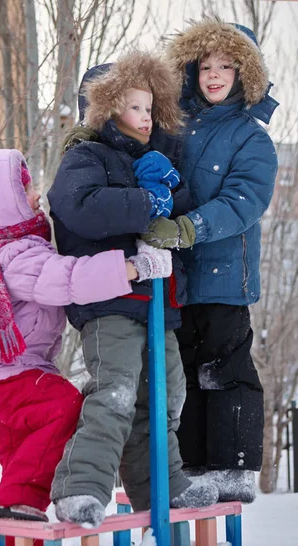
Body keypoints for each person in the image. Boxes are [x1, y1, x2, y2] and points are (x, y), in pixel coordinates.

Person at [0, 147, 171, 528]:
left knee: (22, 460)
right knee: (64, 407)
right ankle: (18, 505)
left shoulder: (4, 248)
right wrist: (132, 268)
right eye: (25, 190)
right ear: (3, 206)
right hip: (9, 372)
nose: (35, 195)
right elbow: (69, 280)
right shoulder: (19, 254)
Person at [47, 50, 220, 529]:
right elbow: (78, 207)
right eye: (134, 108)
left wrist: (170, 192)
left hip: (160, 303)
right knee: (116, 393)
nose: (146, 118)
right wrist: (146, 201)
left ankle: (162, 487)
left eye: (150, 108)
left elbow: (174, 214)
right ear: (106, 110)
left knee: (166, 398)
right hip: (110, 301)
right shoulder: (85, 157)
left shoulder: (156, 160)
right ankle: (81, 487)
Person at [140, 20, 279, 503]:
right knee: (186, 372)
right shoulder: (173, 127)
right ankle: (195, 468)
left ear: (246, 75)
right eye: (206, 66)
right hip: (179, 279)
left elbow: (244, 200)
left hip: (224, 278)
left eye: (226, 66)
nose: (214, 75)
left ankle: (233, 468)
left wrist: (187, 228)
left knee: (225, 371)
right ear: (191, 71)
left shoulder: (251, 139)